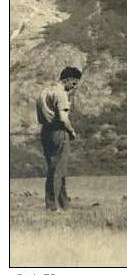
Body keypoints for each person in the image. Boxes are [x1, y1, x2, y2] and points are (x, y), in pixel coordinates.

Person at [36, 66, 82, 212]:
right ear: (68, 79)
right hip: (58, 132)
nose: (73, 88)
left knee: (54, 169)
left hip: (45, 132)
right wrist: (72, 131)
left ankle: (64, 205)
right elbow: (63, 118)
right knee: (57, 171)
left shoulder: (44, 92)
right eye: (74, 84)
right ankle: (52, 206)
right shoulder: (61, 94)